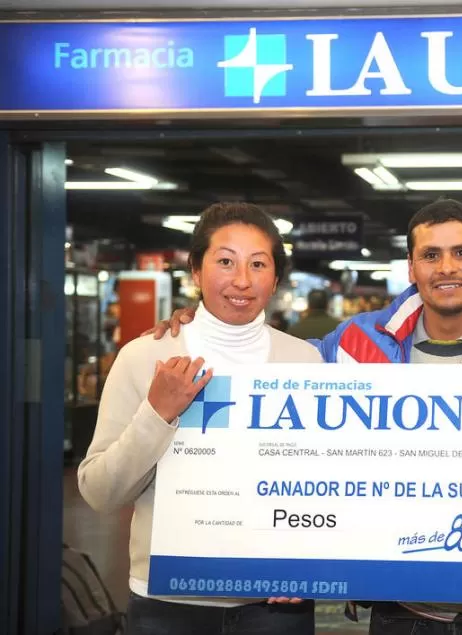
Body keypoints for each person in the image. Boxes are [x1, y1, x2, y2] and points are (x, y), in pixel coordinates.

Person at [150, 198, 462, 635]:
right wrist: (200, 325)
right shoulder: (354, 343)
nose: (446, 267)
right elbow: (261, 378)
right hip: (399, 611)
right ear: (411, 267)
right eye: (431, 255)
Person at [78, 202, 323, 635]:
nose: (242, 280)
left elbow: (319, 488)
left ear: (276, 278)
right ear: (195, 271)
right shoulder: (145, 356)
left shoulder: (304, 362)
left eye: (258, 264)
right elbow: (100, 493)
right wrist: (157, 413)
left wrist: (306, 559)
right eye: (225, 261)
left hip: (274, 605)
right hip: (168, 605)